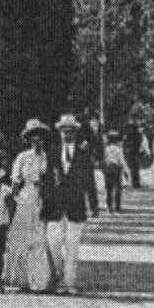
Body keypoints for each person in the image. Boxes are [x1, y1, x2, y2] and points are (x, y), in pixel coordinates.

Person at [44, 114, 99, 295]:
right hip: (55, 205)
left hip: (76, 205)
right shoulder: (52, 152)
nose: (67, 134)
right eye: (64, 131)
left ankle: (69, 283)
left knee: (72, 246)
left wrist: (93, 204)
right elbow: (47, 179)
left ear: (75, 133)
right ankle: (59, 273)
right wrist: (44, 201)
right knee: (53, 243)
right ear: (59, 132)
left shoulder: (83, 153)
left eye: (70, 131)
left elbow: (90, 179)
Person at [4, 119, 55, 293]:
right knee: (21, 236)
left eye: (40, 137)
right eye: (33, 137)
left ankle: (39, 281)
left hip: (43, 197)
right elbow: (15, 180)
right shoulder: (23, 157)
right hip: (26, 197)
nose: (37, 140)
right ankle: (21, 279)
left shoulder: (49, 157)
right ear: (29, 139)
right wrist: (12, 198)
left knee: (40, 237)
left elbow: (54, 179)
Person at [103, 130, 130, 213]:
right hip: (116, 168)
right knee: (118, 188)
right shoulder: (118, 149)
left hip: (108, 168)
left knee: (109, 189)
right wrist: (126, 171)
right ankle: (117, 207)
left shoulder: (105, 149)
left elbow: (103, 159)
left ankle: (109, 207)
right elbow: (122, 160)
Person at [124, 120, 142, 189]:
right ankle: (137, 183)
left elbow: (126, 142)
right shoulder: (138, 134)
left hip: (131, 152)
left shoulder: (129, 134)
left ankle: (134, 183)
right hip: (136, 152)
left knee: (132, 168)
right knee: (136, 168)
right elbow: (140, 142)